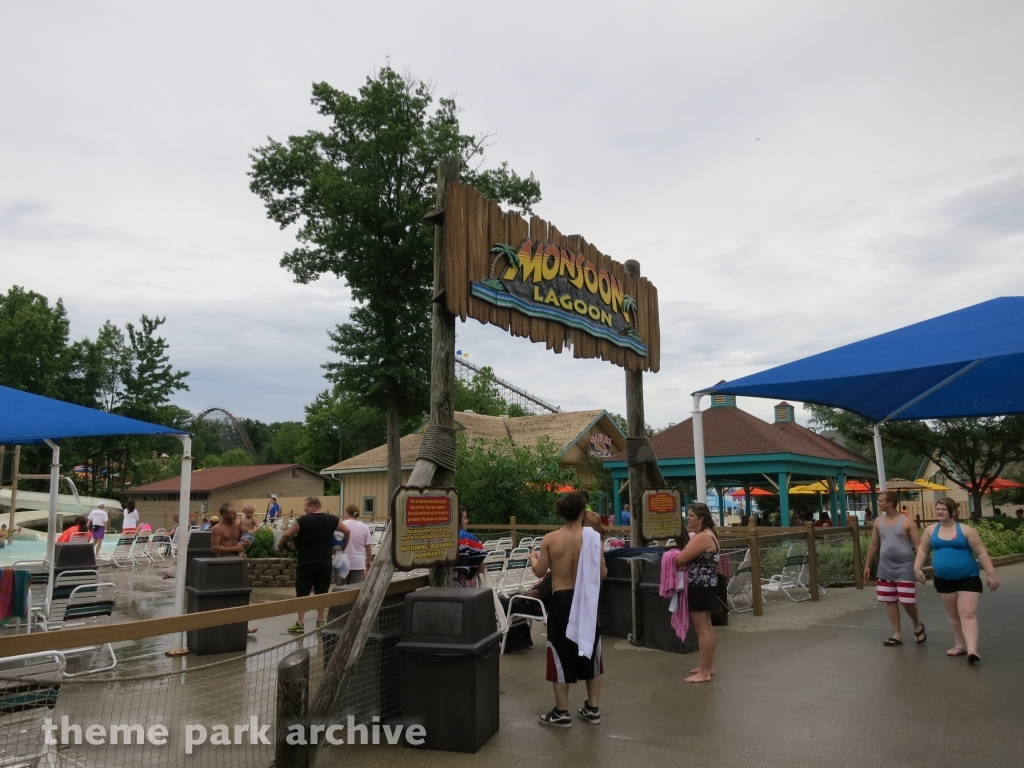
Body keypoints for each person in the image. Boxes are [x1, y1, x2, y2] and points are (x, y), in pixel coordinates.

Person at [530, 491, 607, 728]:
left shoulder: (551, 539)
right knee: (590, 650)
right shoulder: (592, 538)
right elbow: (603, 573)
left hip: (562, 599)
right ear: (582, 513)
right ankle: (592, 708)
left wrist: (533, 558)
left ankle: (562, 712)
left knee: (559, 652)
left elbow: (540, 572)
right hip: (586, 599)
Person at [915, 498, 999, 663]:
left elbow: (981, 552)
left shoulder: (966, 530)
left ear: (953, 512)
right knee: (953, 614)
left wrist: (991, 574)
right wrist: (917, 568)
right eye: (938, 509)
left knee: (967, 613)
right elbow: (923, 550)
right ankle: (960, 645)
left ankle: (972, 650)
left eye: (943, 509)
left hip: (968, 579)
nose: (939, 512)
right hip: (943, 580)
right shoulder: (930, 530)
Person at [278, 497, 350, 633]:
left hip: (306, 563)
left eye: (305, 506)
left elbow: (287, 534)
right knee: (322, 593)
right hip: (324, 563)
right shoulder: (332, 519)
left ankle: (300, 623)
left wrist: (280, 545)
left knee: (302, 593)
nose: (304, 509)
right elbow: (347, 531)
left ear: (312, 506)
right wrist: (345, 545)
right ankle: (320, 622)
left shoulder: (303, 521)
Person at [863, 490, 925, 646]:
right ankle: (897, 634)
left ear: (890, 503)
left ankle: (917, 624)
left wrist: (919, 567)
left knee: (907, 600)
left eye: (881, 500)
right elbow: (874, 544)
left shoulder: (907, 522)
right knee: (890, 600)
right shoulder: (878, 521)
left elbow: (919, 546)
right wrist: (867, 564)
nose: (878, 503)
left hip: (905, 566)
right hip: (885, 566)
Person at [674, 503, 720, 683]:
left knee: (702, 629)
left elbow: (682, 558)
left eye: (691, 515)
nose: (688, 518)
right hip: (707, 584)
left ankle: (704, 672)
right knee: (707, 627)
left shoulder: (701, 536)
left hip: (699, 586)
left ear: (700, 519)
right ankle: (707, 666)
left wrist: (674, 557)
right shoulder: (711, 533)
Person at [338, 505, 373, 587]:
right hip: (358, 562)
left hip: (341, 562)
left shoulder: (341, 525)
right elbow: (368, 546)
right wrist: (368, 561)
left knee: (340, 589)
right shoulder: (364, 527)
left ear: (347, 513)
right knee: (355, 589)